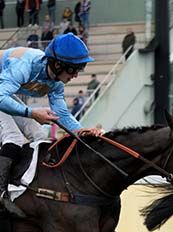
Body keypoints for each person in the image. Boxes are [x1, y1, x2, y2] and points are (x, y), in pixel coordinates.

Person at [0, 33, 102, 217]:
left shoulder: (56, 83)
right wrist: (31, 113)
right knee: (13, 137)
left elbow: (61, 114)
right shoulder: (24, 65)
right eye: (73, 69)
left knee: (39, 136)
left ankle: (29, 188)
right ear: (57, 64)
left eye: (81, 68)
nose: (77, 75)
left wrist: (80, 131)